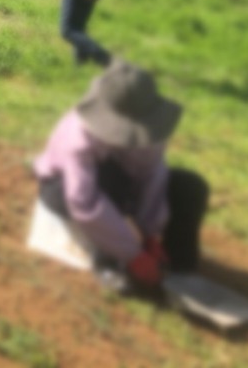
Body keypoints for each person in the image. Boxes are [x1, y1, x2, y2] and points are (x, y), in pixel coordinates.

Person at [33, 59, 209, 294]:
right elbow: (84, 201)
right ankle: (106, 263)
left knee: (190, 185)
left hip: (122, 187)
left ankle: (177, 266)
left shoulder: (152, 129)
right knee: (108, 178)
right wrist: (132, 254)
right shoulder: (77, 138)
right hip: (64, 189)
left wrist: (150, 234)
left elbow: (152, 175)